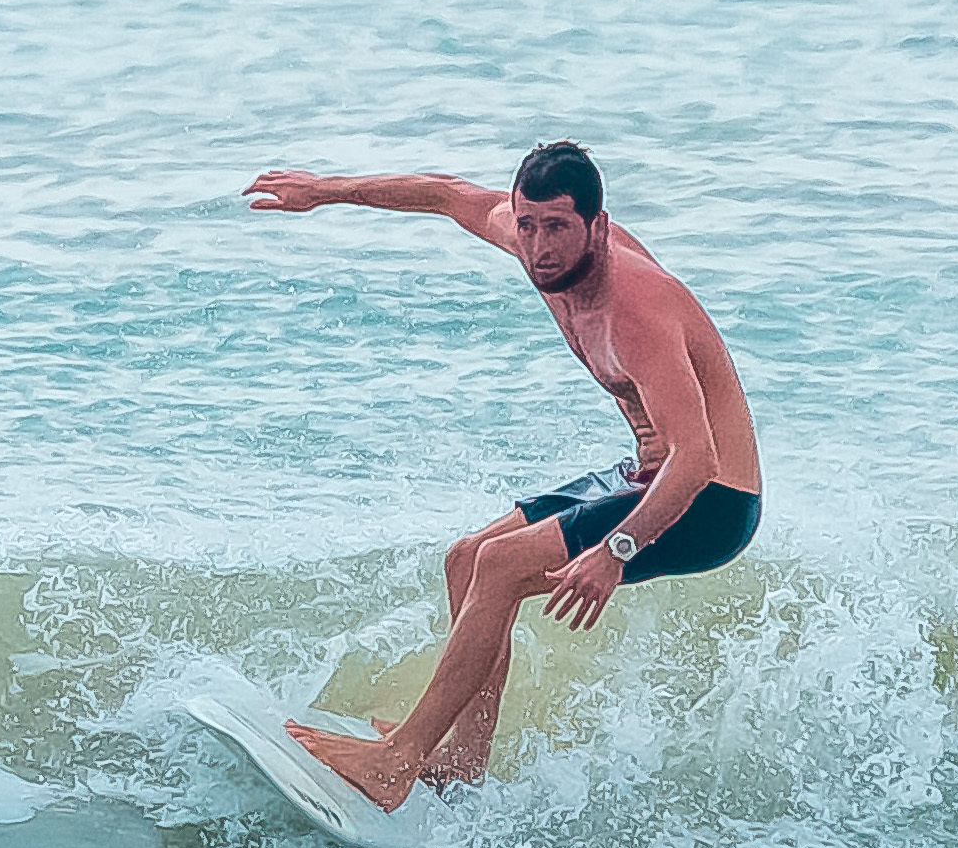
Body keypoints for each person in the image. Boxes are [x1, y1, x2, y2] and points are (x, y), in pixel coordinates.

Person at [241, 142, 762, 812]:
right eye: (528, 225)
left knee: (500, 567)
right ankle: (460, 760)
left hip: (710, 500)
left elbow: (697, 460)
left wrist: (614, 552)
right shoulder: (528, 240)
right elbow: (444, 193)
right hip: (648, 472)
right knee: (466, 559)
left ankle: (395, 763)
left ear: (597, 227)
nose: (540, 246)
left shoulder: (636, 308)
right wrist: (327, 191)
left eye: (558, 228)